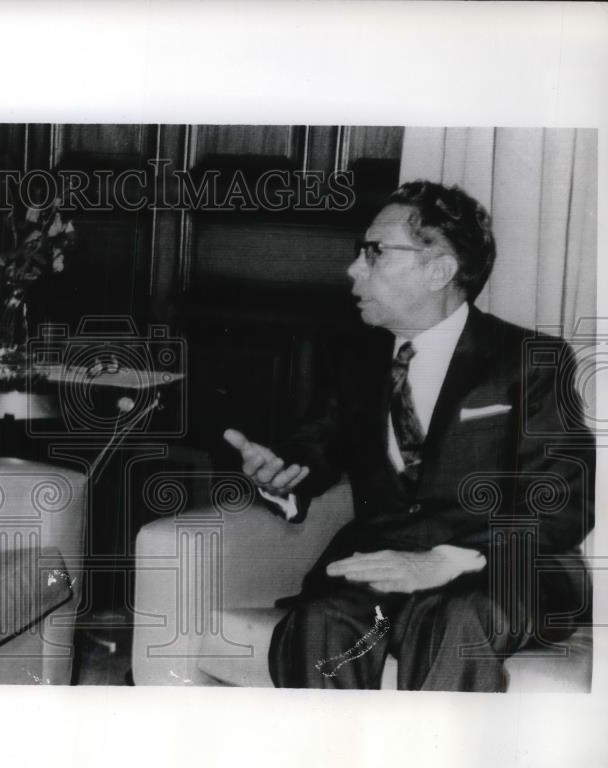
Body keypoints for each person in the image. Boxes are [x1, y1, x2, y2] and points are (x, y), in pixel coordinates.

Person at [224, 180, 594, 691]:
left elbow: (562, 500)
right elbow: (318, 442)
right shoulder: (356, 358)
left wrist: (444, 560)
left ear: (439, 270)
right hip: (386, 566)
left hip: (498, 570)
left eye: (374, 253)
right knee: (320, 621)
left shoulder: (529, 361)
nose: (353, 269)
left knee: (458, 619)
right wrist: (284, 473)